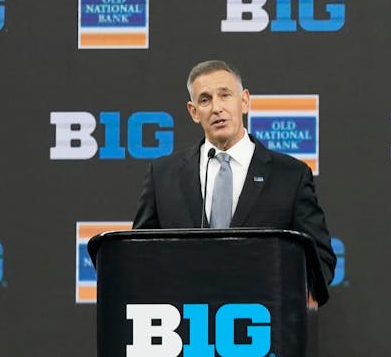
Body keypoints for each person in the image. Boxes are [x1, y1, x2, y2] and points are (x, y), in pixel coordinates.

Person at [133, 59, 336, 299]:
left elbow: (320, 260)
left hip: (262, 323)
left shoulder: (290, 175)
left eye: (225, 95)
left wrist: (297, 299)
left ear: (244, 101)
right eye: (205, 100)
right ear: (194, 112)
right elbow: (138, 256)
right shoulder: (163, 174)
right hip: (183, 324)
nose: (217, 108)